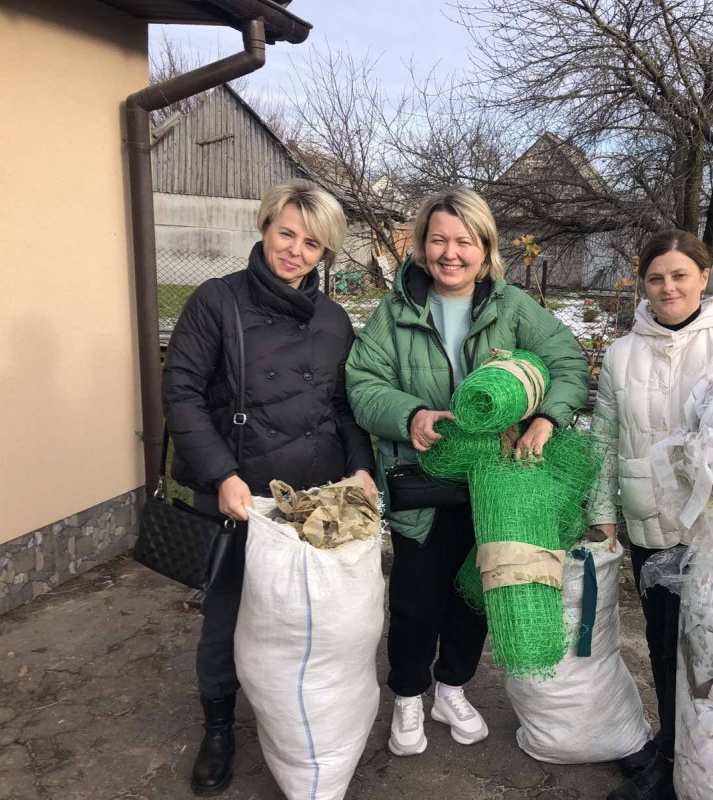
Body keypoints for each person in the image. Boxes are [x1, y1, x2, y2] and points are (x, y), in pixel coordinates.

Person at [345, 187, 588, 757]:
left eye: (464, 241)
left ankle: (451, 687)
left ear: (485, 248)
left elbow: (567, 362)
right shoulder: (396, 310)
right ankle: (408, 695)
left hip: (496, 489)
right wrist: (411, 415)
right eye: (438, 240)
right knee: (415, 600)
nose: (450, 253)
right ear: (421, 245)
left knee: (475, 593)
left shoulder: (514, 307)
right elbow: (361, 384)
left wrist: (549, 418)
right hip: (421, 483)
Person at [162, 179, 376, 796]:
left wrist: (359, 469)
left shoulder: (334, 319)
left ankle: (298, 717)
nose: (296, 251)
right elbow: (181, 393)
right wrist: (220, 474)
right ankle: (221, 725)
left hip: (313, 500)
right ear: (264, 228)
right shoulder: (216, 302)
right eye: (287, 233)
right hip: (239, 489)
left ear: (325, 252)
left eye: (312, 243)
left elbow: (343, 405)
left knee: (307, 616)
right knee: (228, 613)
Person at [586, 229, 713, 800]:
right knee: (665, 647)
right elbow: (603, 439)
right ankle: (670, 755)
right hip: (651, 524)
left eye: (679, 275)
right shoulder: (622, 354)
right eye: (656, 277)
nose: (668, 287)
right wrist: (604, 514)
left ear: (704, 276)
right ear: (643, 283)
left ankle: (704, 765)